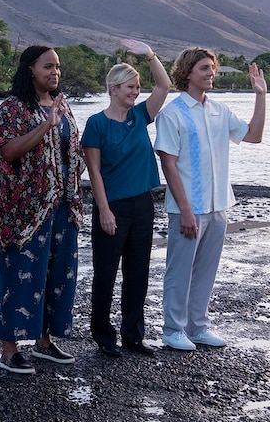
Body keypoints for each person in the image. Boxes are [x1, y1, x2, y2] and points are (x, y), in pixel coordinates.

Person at [154, 47, 266, 351]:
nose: (211, 73)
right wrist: (186, 210)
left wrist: (260, 95)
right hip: (187, 209)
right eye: (204, 68)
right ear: (187, 73)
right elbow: (168, 164)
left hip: (218, 208)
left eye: (212, 67)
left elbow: (254, 135)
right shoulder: (172, 113)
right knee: (180, 271)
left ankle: (198, 327)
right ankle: (173, 330)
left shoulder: (221, 110)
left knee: (206, 270)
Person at [0, 45, 86, 375]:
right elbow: (7, 152)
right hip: (24, 211)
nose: (55, 72)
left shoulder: (64, 107)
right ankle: (9, 349)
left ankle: (45, 344)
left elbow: (71, 152)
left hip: (63, 205)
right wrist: (46, 126)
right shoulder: (12, 108)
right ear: (30, 68)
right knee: (18, 275)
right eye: (48, 66)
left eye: (57, 67)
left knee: (56, 275)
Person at [81, 39, 171, 357]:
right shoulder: (96, 124)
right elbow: (94, 173)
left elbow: (164, 85)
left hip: (143, 205)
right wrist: (104, 210)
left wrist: (149, 55)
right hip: (112, 206)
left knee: (138, 272)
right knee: (106, 273)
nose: (136, 92)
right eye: (130, 87)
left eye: (137, 87)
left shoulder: (140, 118)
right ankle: (104, 336)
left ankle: (133, 335)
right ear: (114, 89)